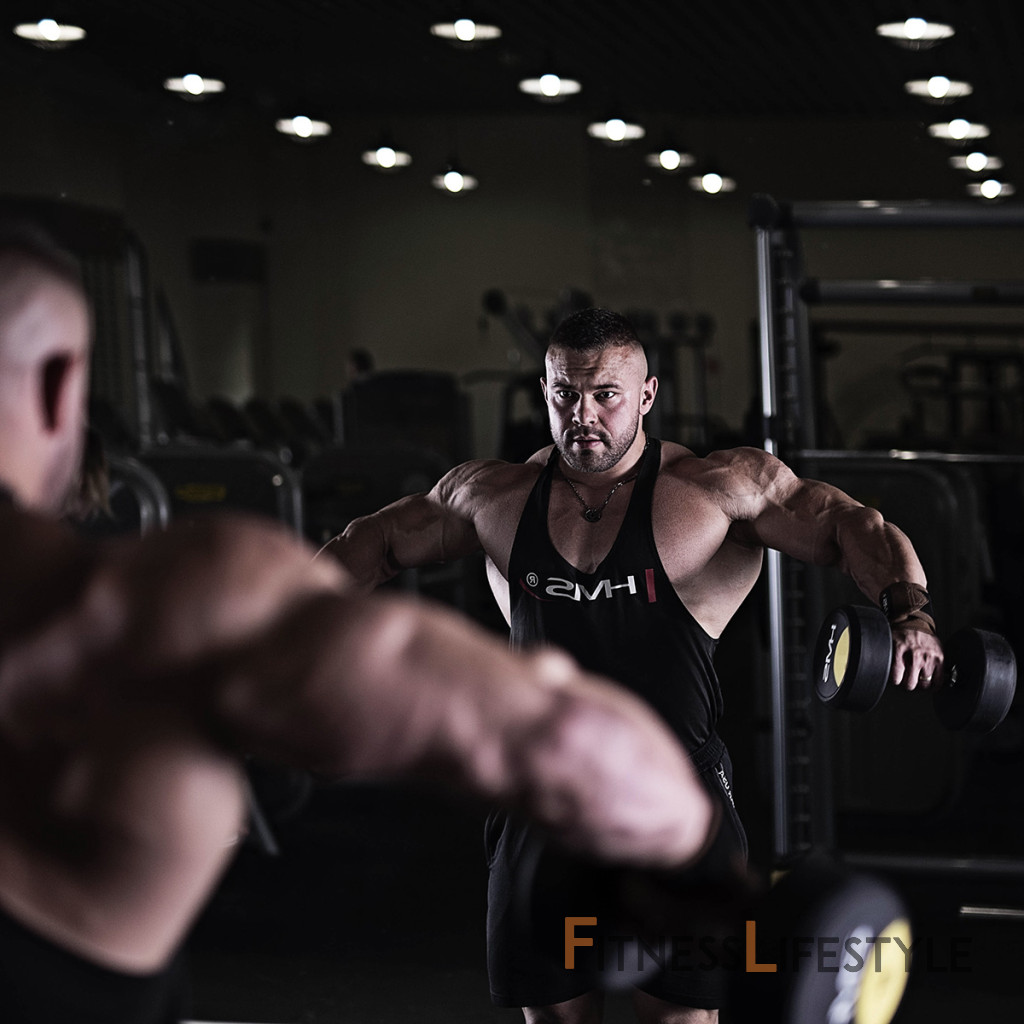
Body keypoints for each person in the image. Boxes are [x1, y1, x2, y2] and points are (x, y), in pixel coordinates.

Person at [0, 230, 719, 1023]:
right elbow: (568, 750)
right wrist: (686, 821)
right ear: (61, 388)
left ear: (645, 396)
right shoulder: (170, 602)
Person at [319, 306, 945, 1024]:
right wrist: (281, 631)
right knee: (554, 1016)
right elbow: (372, 541)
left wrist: (910, 614)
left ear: (647, 395)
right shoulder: (493, 496)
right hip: (542, 798)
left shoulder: (714, 488)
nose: (583, 415)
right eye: (565, 394)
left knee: (680, 1017)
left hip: (677, 801)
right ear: (545, 392)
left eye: (605, 394)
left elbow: (847, 523)